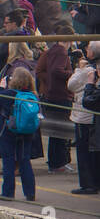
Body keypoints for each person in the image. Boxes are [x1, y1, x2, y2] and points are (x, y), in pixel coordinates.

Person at [0, 67, 42, 202]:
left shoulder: (8, 94)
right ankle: (30, 193)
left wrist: (0, 87)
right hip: (27, 133)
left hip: (8, 132)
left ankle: (8, 193)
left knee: (8, 161)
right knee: (24, 161)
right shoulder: (33, 96)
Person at [37, 22, 76, 174]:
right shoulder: (61, 52)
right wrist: (73, 74)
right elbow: (56, 71)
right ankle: (58, 163)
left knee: (55, 132)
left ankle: (56, 162)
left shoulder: (53, 50)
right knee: (60, 132)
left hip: (52, 94)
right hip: (61, 95)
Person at [70, 44, 100, 194]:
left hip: (84, 116)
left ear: (92, 54)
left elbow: (71, 85)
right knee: (93, 152)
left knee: (83, 152)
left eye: (88, 49)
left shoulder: (88, 71)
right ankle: (94, 182)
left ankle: (88, 184)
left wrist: (78, 69)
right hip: (92, 118)